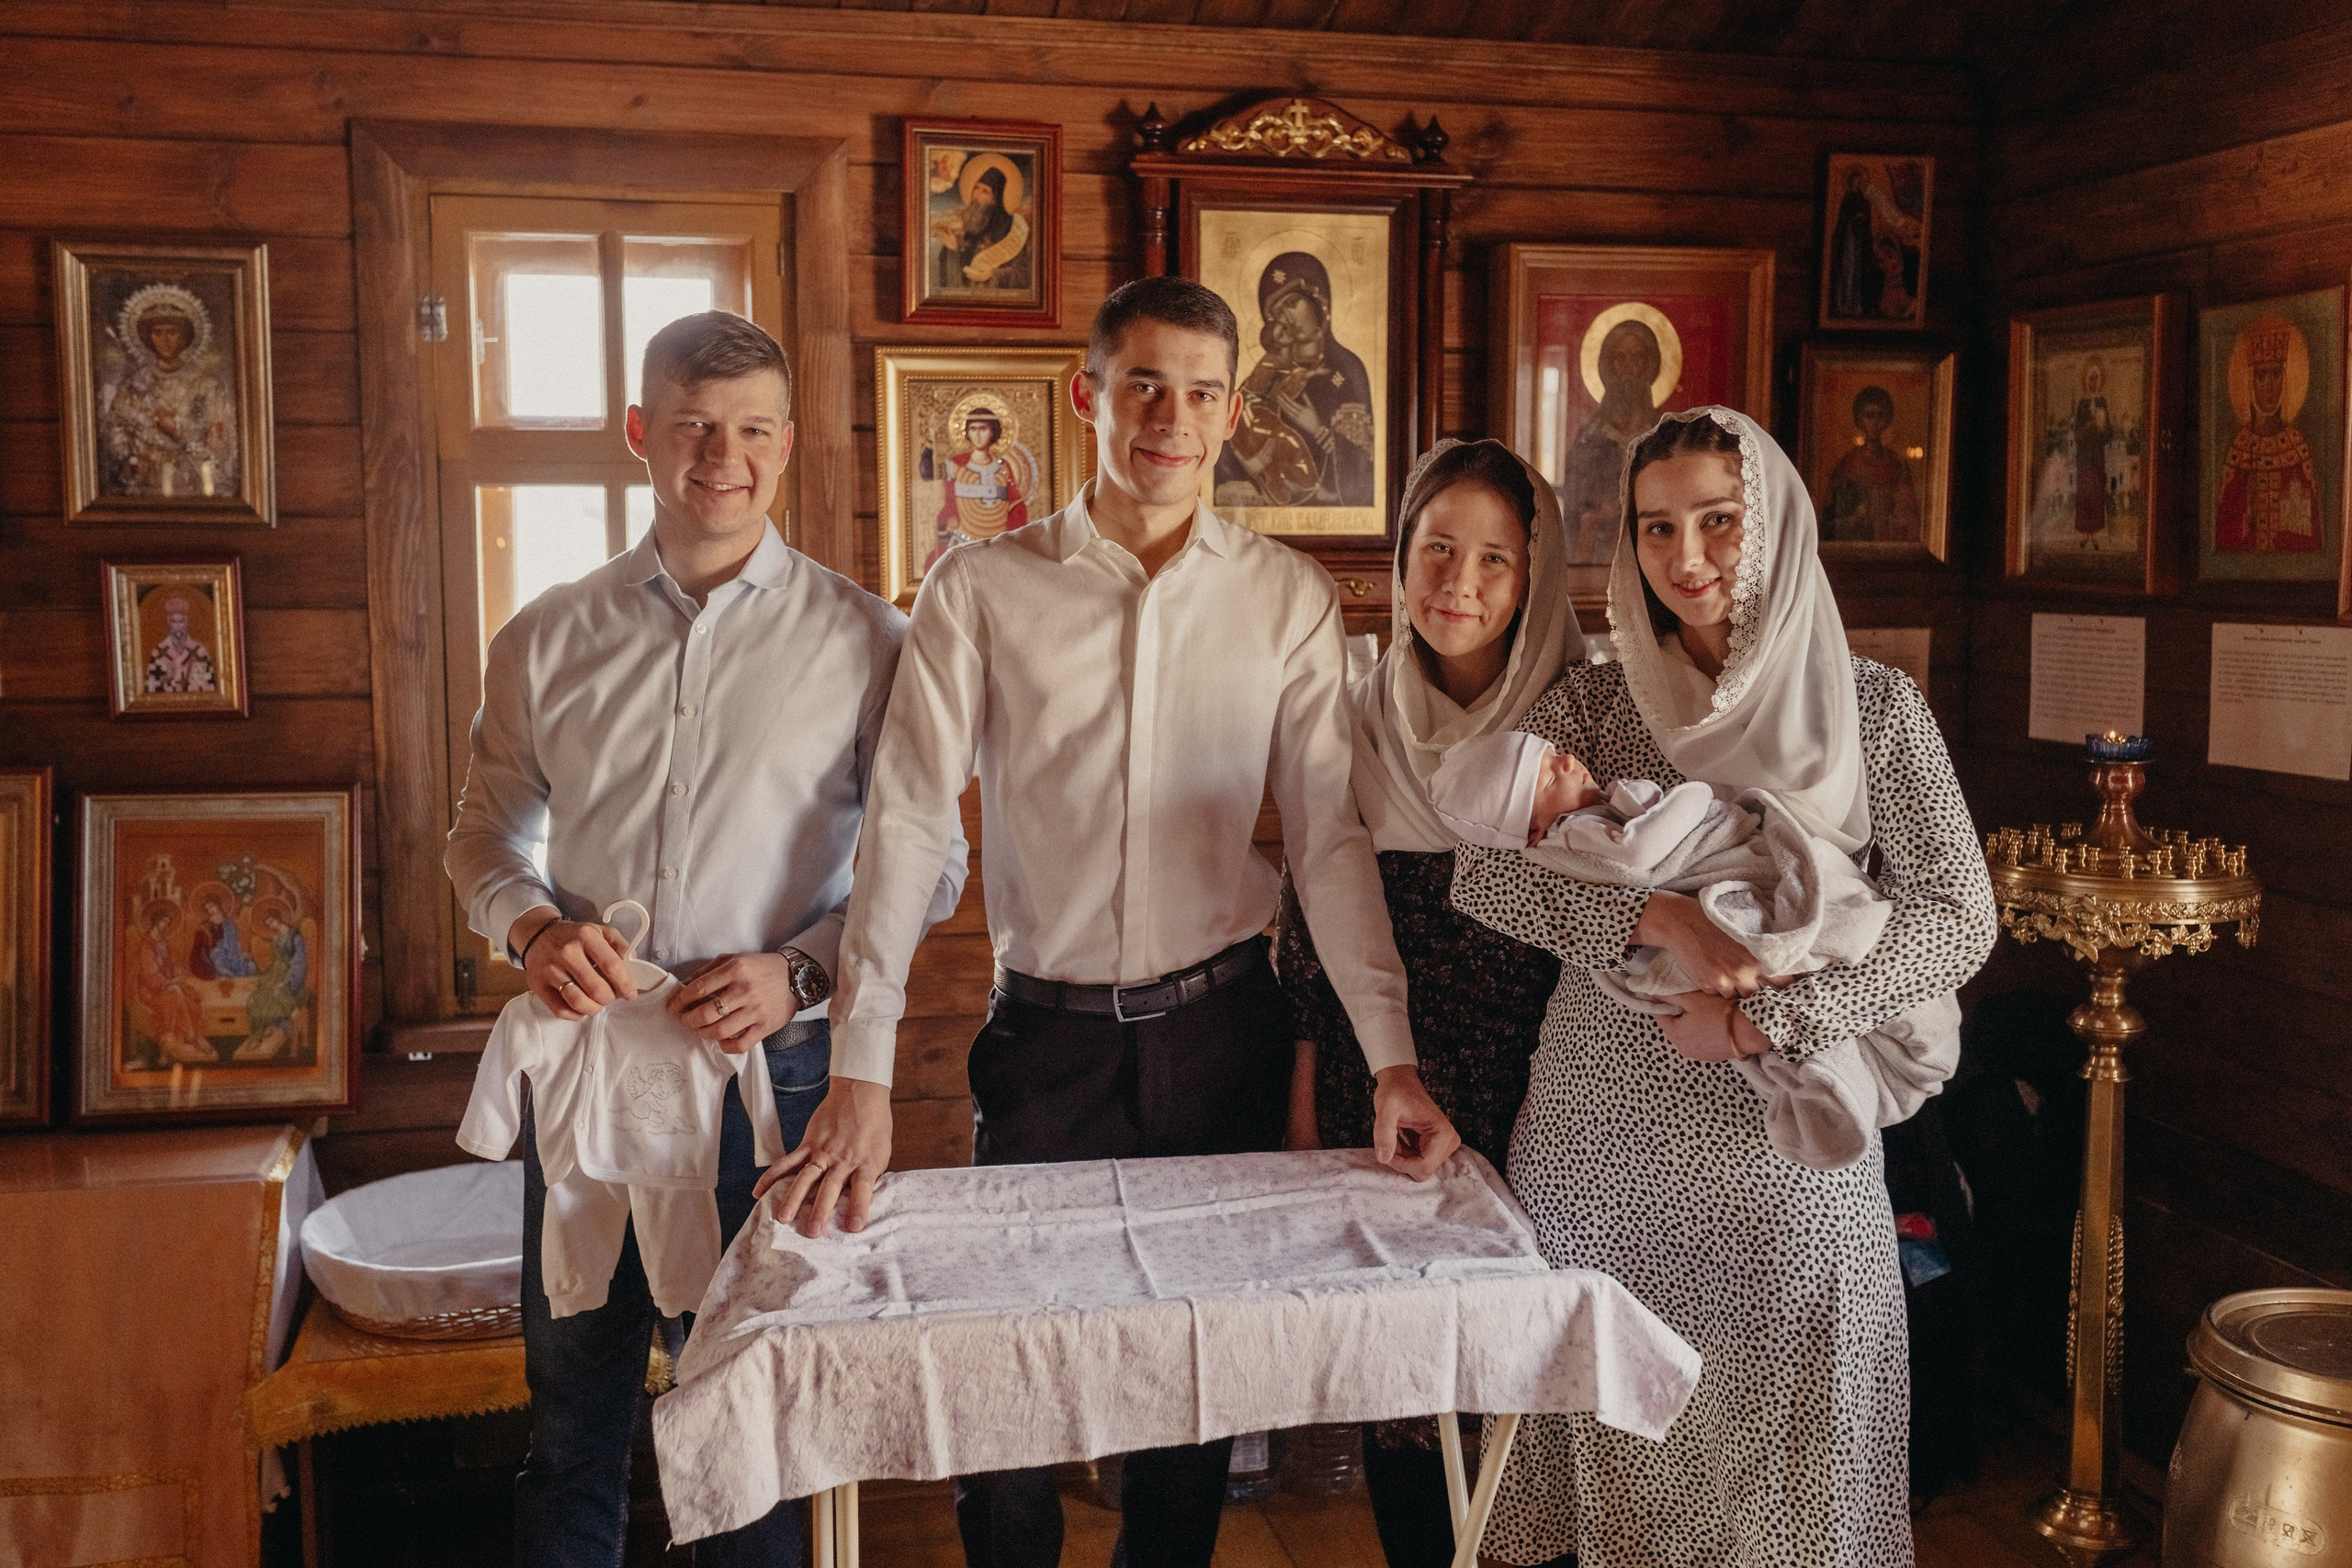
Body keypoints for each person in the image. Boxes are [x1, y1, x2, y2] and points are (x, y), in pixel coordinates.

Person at [774, 276, 1460, 1568]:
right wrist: (861, 1068)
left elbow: (1325, 840)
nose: (1171, 416)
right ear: (1088, 395)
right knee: (1007, 1397)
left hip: (1223, 1031)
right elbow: (911, 823)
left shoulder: (1288, 598)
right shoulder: (978, 589)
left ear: (1234, 413)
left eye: (1202, 391)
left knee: (1187, 1393)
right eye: (1143, 383)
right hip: (1047, 1041)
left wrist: (1390, 1057)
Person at [446, 310, 968, 1568]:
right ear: (641, 433)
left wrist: (799, 968)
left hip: (768, 1078)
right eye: (690, 425)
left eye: (748, 430)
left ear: (786, 445)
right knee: (573, 1415)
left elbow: (931, 864)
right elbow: (480, 837)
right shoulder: (547, 637)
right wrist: (527, 926)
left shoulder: (868, 642)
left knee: (751, 1413)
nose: (719, 456)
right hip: (589, 1070)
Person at [1450, 408, 1996, 1564]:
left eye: (1718, 521)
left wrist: (1767, 1014)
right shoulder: (1598, 704)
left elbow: (1959, 917)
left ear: (1778, 528)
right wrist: (1660, 916)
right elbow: (1480, 876)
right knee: (1615, 1441)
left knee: (1787, 1457)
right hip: (1602, 1143)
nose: (1685, 558)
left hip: (1782, 1149)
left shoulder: (1876, 708)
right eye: (1656, 529)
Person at [1271, 438, 1575, 1568]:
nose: (1460, 583)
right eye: (1436, 549)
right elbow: (1311, 923)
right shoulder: (1351, 708)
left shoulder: (1584, 725)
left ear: (1534, 576)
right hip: (1381, 1072)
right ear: (1399, 559)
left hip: (1545, 1087)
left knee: (1521, 1384)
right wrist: (1307, 1109)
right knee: (1407, 1385)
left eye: (1495, 559)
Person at [1217, 252, 1377, 509]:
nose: (1287, 318)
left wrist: (1318, 430)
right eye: (1278, 313)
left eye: (1292, 304)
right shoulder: (1270, 373)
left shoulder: (1347, 370)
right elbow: (1232, 437)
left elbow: (1361, 464)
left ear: (1318, 302)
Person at [101, 285, 238, 499]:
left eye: (172, 332)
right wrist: (135, 459)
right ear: (149, 338)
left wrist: (178, 430)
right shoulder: (134, 386)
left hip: (191, 481)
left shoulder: (206, 386)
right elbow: (115, 432)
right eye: (158, 332)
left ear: (184, 337)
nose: (165, 339)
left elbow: (222, 442)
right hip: (146, 481)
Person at [1557, 319, 1665, 562]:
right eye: (1620, 357)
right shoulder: (1591, 435)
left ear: (1649, 365)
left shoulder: (1663, 434)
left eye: (1637, 358)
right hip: (1596, 554)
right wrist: (1597, 514)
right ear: (1609, 365)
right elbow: (1575, 502)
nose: (1627, 368)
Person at [2216, 315, 2321, 554]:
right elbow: (2225, 533)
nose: (2269, 386)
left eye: (2275, 375)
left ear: (2285, 379)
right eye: (2261, 377)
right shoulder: (2239, 450)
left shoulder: (2296, 448)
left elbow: (2310, 534)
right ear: (2250, 382)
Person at [1822, 385, 1921, 544]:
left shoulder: (1897, 465)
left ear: (1887, 420)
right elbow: (1830, 523)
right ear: (1859, 420)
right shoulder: (1847, 465)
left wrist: (1890, 513)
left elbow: (1910, 518)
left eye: (1880, 416)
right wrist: (1857, 515)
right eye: (1869, 416)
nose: (1874, 422)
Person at [143, 595, 219, 694]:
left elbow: (210, 685)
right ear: (169, 623)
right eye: (174, 622)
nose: (178, 626)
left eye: (181, 621)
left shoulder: (200, 651)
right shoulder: (158, 653)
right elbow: (151, 688)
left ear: (186, 622)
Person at [188, 891, 258, 979]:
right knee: (218, 958)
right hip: (217, 957)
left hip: (233, 955)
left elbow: (236, 944)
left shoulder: (229, 923)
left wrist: (242, 954)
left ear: (218, 905)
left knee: (251, 966)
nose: (210, 910)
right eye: (207, 909)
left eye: (211, 906)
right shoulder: (205, 927)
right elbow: (198, 950)